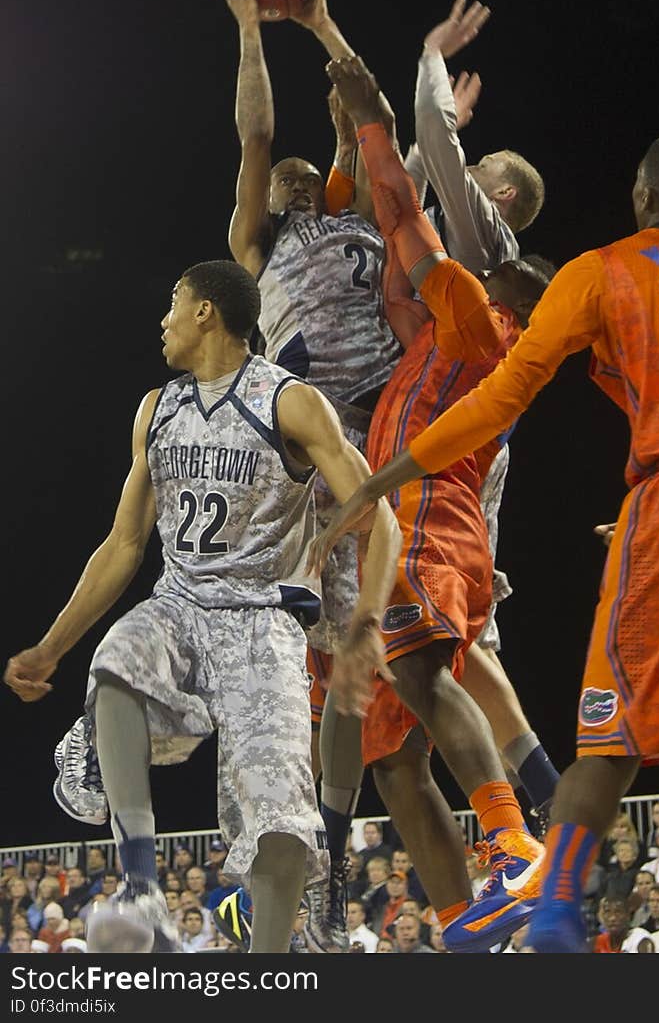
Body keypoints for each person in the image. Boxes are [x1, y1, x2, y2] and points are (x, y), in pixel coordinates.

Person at [317, 128, 659, 954]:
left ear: (644, 196)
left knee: (612, 742)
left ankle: (556, 911)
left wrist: (381, 477)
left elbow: (503, 397)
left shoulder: (605, 267)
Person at [4, 260, 400, 954]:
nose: (162, 319)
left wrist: (365, 621)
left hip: (263, 620)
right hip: (181, 604)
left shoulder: (290, 402)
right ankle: (140, 887)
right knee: (118, 660)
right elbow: (125, 543)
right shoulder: (158, 409)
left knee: (280, 824)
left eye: (172, 303)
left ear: (204, 313)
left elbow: (381, 517)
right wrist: (51, 646)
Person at [313, 55, 552, 954]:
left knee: (419, 673)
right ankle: (467, 923)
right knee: (393, 759)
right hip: (413, 525)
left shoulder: (481, 323)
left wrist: (381, 125)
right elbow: (389, 272)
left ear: (512, 298)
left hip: (430, 518)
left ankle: (514, 837)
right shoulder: (442, 338)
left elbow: (406, 222)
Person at [221, 0, 403, 952]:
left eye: (308, 165)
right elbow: (255, 136)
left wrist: (325, 26)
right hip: (301, 456)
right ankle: (289, 853)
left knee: (362, 670)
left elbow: (357, 114)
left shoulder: (363, 215)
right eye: (283, 172)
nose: (292, 169)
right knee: (289, 668)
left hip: (386, 438)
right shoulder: (258, 245)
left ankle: (332, 843)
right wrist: (252, 28)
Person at [405, 0, 557, 831]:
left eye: (477, 160)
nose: (465, 166)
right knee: (470, 650)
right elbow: (416, 177)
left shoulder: (485, 245)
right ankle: (541, 807)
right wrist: (443, 138)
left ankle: (512, 826)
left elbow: (430, 145)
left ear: (494, 194)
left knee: (426, 649)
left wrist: (432, 56)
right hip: (466, 450)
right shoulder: (484, 261)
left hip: (446, 455)